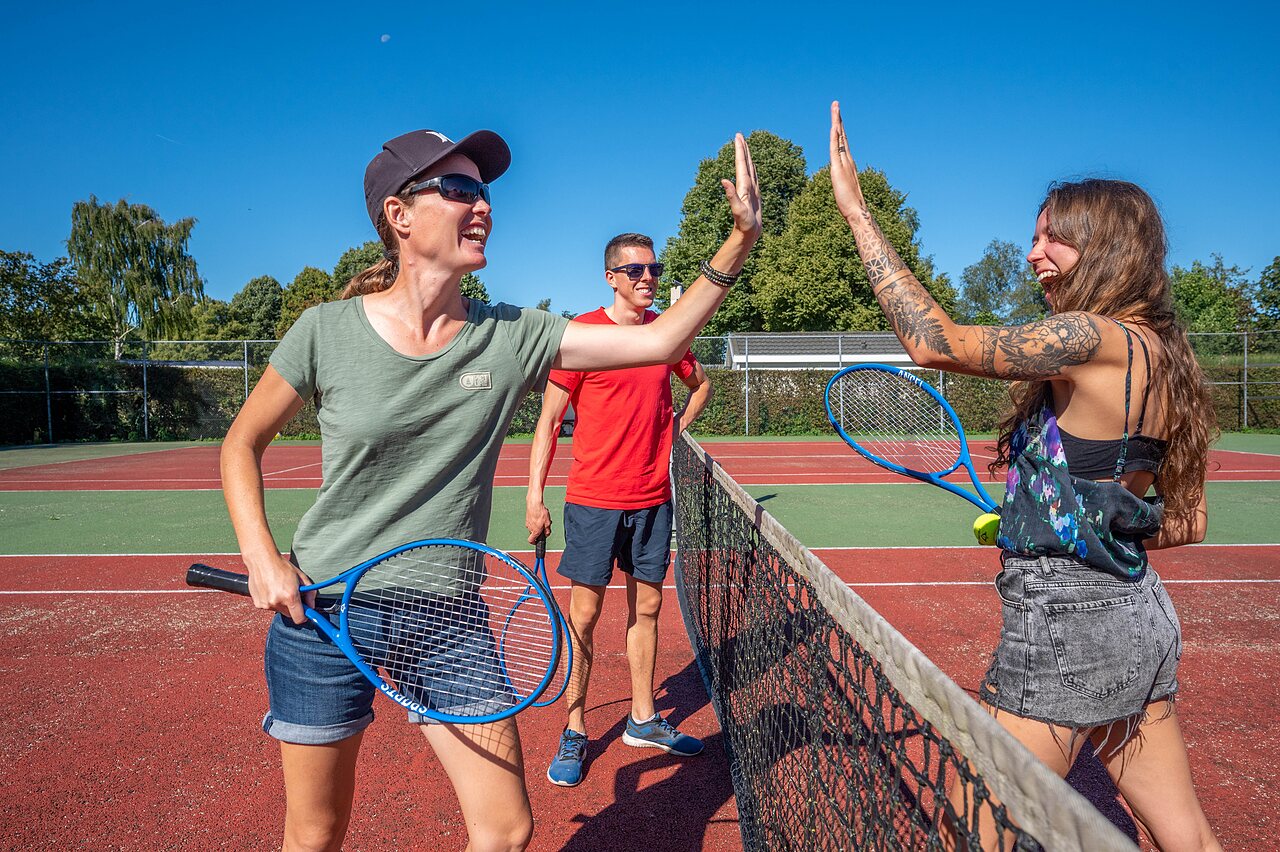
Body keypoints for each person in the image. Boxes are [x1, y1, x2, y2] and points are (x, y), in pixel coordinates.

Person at [220, 127, 760, 851]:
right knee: (315, 832)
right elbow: (240, 443)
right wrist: (260, 555)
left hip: (447, 614)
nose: (484, 207)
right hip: (321, 613)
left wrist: (739, 242)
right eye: (461, 190)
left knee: (506, 830)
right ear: (398, 215)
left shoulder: (512, 335)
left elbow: (660, 344)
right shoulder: (324, 331)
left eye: (486, 193)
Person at [826, 102, 1220, 850]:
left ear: (1107, 249)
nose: (1034, 251)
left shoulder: (1092, 336)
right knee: (1185, 835)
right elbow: (1183, 523)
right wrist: (1059, 519)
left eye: (1055, 239)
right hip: (1138, 616)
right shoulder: (1169, 357)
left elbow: (935, 342)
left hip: (1069, 626)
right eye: (1036, 234)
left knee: (974, 822)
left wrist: (855, 212)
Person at [525, 232, 714, 787]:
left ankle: (642, 719)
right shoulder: (581, 336)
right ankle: (576, 726)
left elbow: (700, 386)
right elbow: (547, 423)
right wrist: (534, 497)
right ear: (611, 277)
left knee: (648, 611)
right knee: (584, 616)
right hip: (593, 501)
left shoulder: (665, 335)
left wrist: (676, 428)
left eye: (653, 269)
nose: (647, 278)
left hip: (653, 499)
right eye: (634, 270)